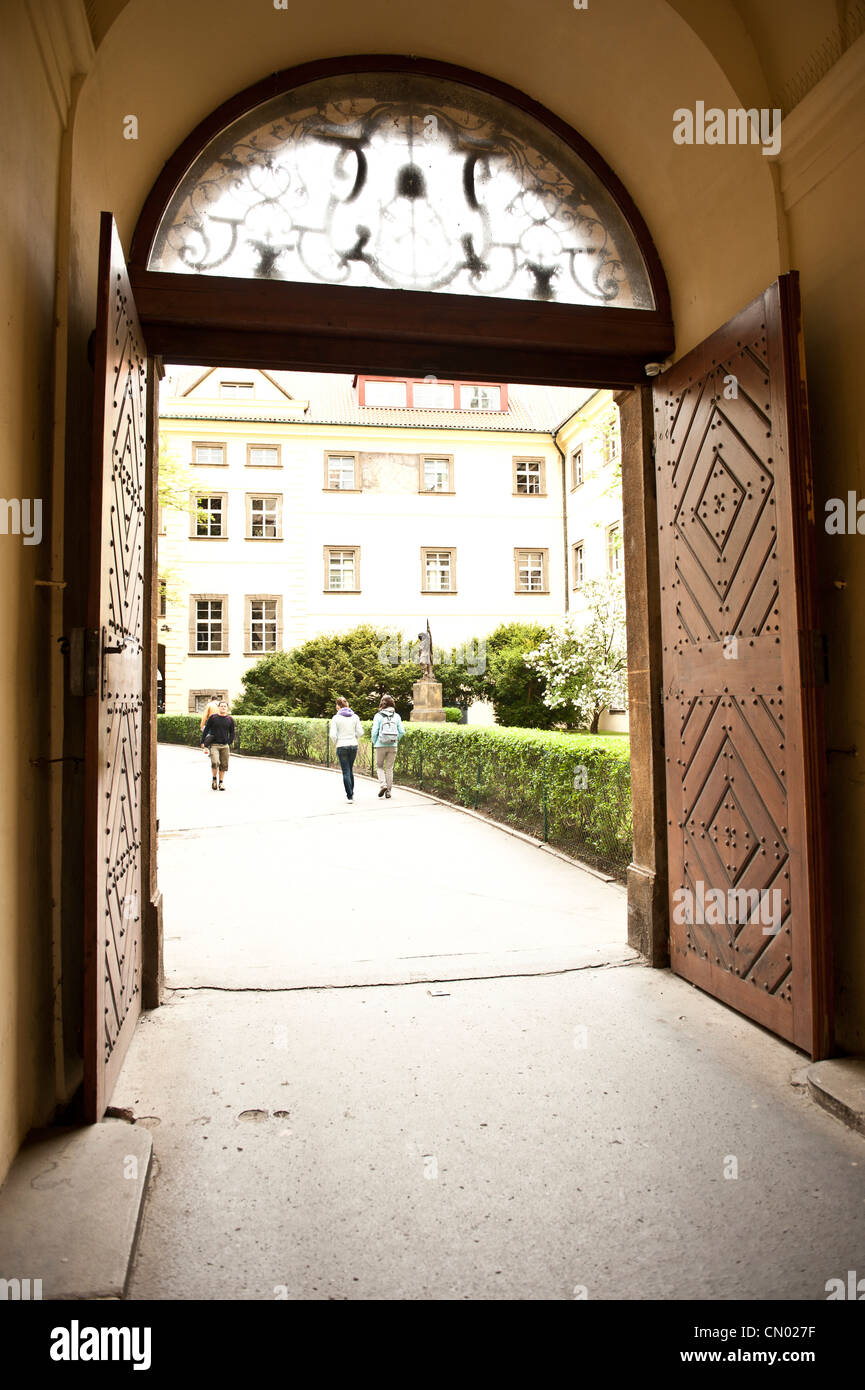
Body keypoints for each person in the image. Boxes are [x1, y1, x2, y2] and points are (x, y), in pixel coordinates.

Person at [329, 696, 364, 803]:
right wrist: (354, 738)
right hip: (353, 745)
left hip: (342, 746)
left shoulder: (336, 718)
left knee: (345, 771)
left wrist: (337, 742)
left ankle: (349, 796)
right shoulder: (355, 717)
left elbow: (333, 735)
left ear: (338, 706)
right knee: (350, 769)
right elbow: (360, 732)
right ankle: (351, 793)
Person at [371, 694, 404, 799]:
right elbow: (402, 731)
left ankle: (383, 785)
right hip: (393, 745)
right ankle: (388, 792)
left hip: (380, 745)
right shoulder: (397, 716)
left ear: (382, 703)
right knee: (389, 768)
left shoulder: (378, 716)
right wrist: (395, 740)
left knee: (379, 766)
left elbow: (374, 731)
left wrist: (375, 742)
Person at [200, 699, 235, 791]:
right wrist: (203, 742)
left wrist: (229, 742)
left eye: (225, 706)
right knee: (215, 762)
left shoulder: (230, 719)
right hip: (214, 744)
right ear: (218, 707)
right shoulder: (213, 717)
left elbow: (232, 733)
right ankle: (214, 779)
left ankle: (221, 783)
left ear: (227, 708)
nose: (223, 707)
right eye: (221, 706)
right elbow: (206, 729)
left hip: (224, 745)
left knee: (223, 765)